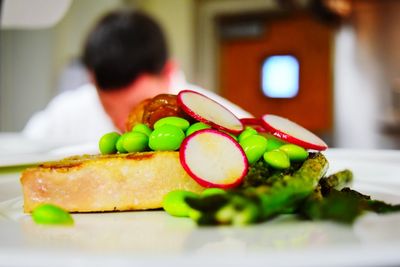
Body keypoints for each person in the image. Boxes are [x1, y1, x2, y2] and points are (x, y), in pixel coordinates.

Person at [23, 10, 251, 146]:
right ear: (92, 79)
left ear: (170, 71)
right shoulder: (67, 113)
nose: (126, 124)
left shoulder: (218, 118)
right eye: (109, 108)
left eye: (140, 106)